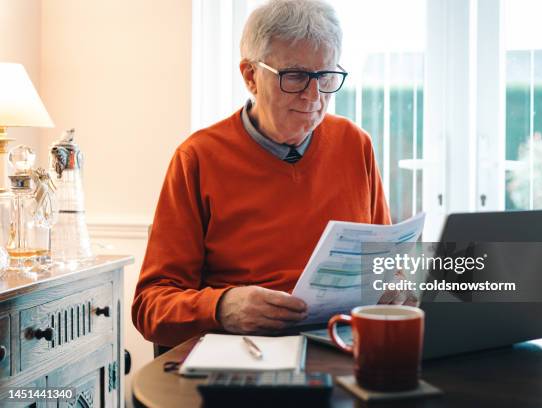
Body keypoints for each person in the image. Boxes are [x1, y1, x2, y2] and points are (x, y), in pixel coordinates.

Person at [132, 0, 391, 347]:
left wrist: (395, 285)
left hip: (339, 344)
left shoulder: (355, 144)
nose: (314, 95)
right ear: (251, 76)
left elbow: (384, 263)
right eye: (296, 76)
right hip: (242, 350)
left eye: (326, 76)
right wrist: (222, 306)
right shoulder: (197, 158)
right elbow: (150, 305)